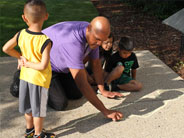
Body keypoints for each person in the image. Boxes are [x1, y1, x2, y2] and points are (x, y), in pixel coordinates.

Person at [42, 16, 123, 121]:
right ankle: (24, 82)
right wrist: (105, 111)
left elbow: (96, 64)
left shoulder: (92, 35)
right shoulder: (72, 43)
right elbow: (82, 84)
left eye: (102, 40)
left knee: (76, 94)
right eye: (98, 39)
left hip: (62, 67)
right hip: (43, 68)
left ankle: (56, 83)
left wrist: (102, 89)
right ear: (88, 29)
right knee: (60, 104)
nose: (99, 44)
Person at [2, 0, 55, 138]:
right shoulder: (45, 41)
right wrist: (28, 63)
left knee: (28, 107)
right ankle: (38, 134)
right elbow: (43, 65)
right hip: (39, 80)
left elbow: (6, 48)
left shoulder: (21, 34)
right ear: (46, 16)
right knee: (38, 110)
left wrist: (20, 57)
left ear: (24, 18)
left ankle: (29, 131)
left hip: (25, 78)